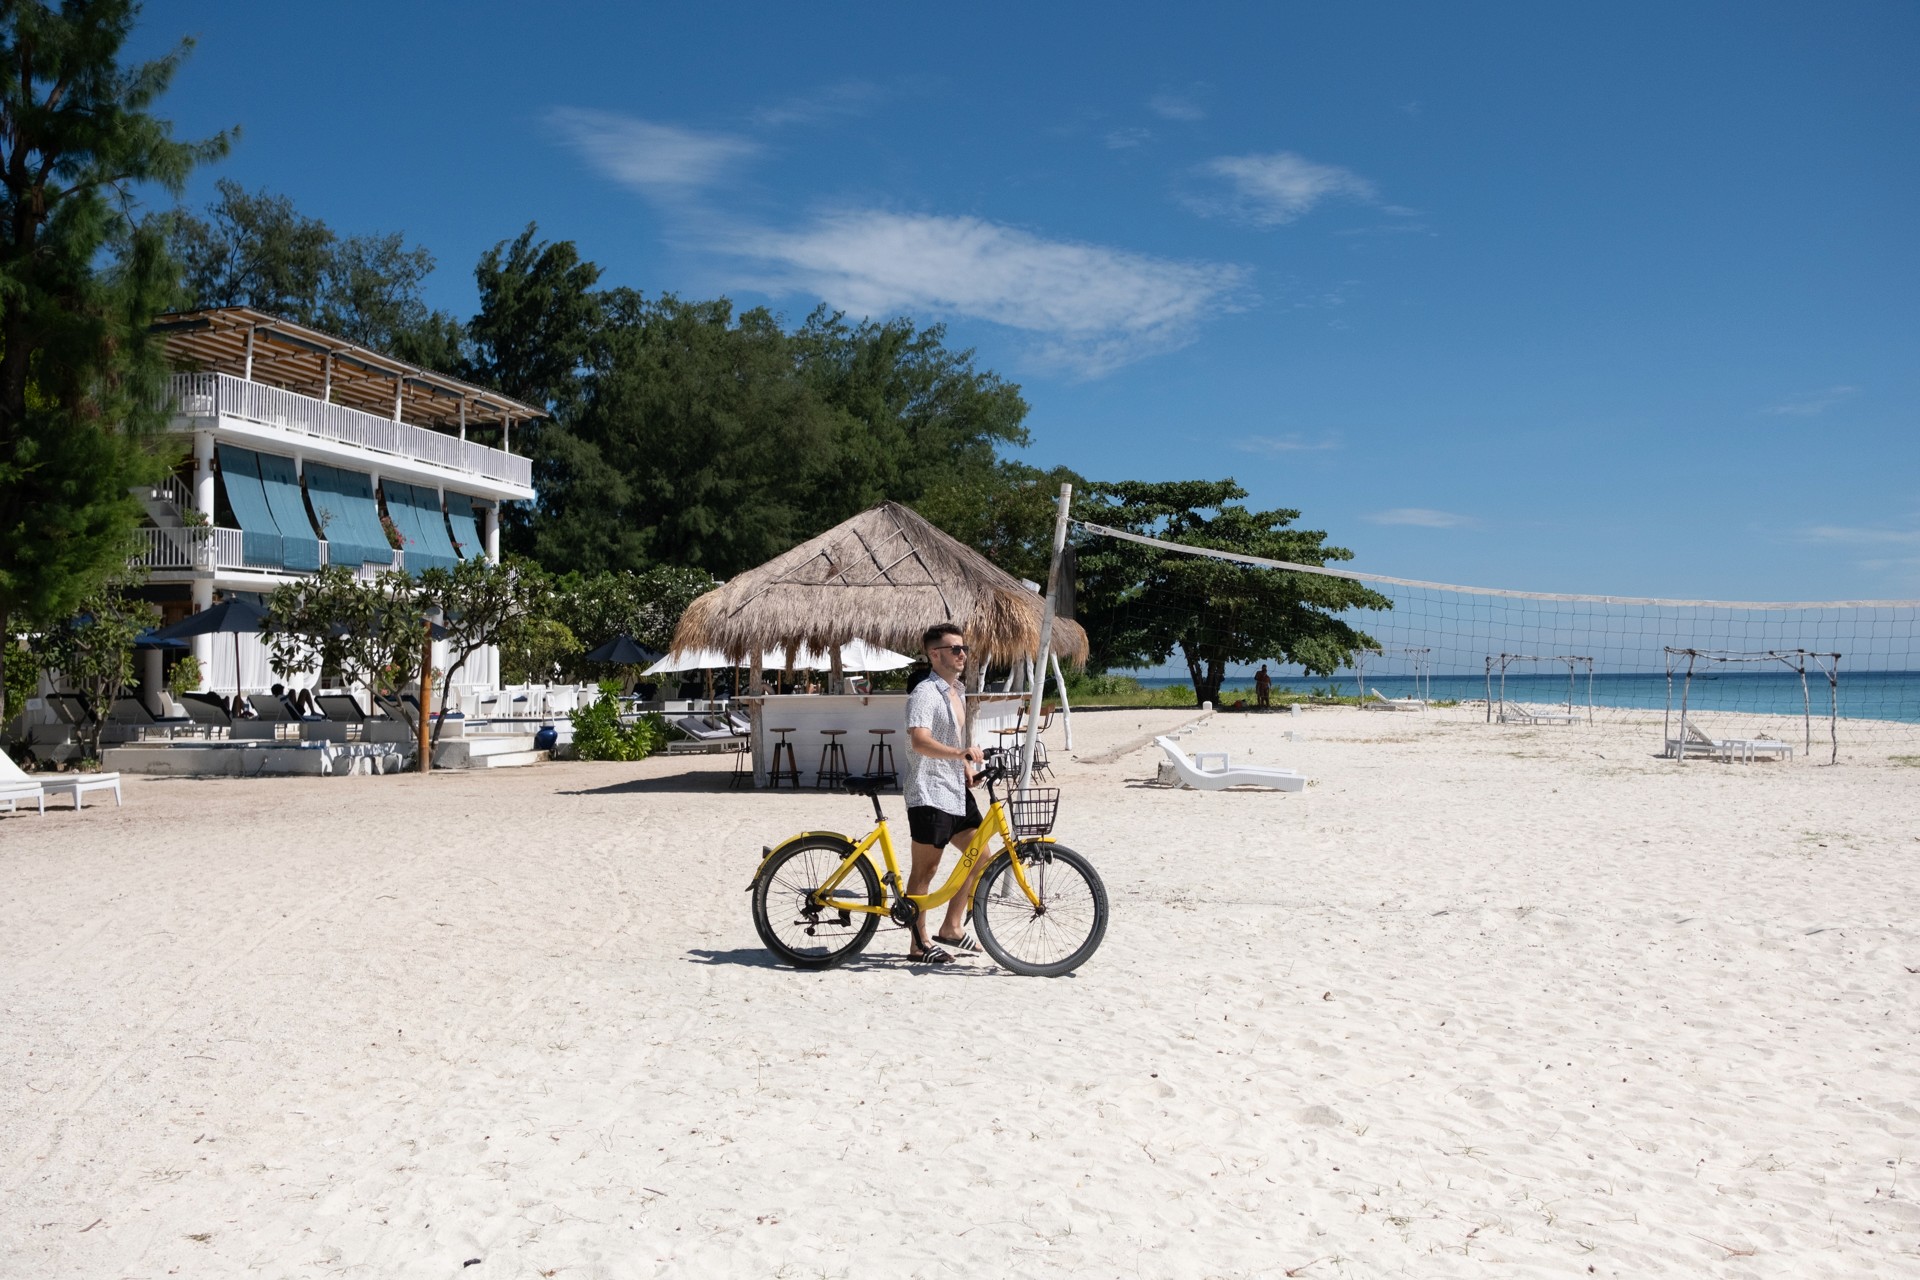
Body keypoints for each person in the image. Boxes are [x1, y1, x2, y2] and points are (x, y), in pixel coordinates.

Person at [902, 621, 986, 964]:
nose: (963, 653)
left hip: (953, 789)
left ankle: (952, 927)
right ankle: (918, 943)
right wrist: (958, 755)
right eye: (956, 649)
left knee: (980, 856)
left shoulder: (958, 690)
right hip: (928, 791)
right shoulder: (924, 692)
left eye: (964, 648)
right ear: (935, 655)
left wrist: (963, 765)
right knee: (925, 872)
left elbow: (949, 738)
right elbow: (919, 740)